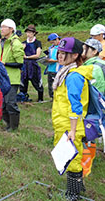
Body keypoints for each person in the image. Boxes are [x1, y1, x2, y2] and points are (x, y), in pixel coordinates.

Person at [52, 37, 92, 200]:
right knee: (69, 156)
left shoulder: (73, 76)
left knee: (72, 158)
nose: (60, 56)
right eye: (59, 53)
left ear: (75, 55)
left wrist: (73, 131)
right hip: (62, 122)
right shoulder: (65, 72)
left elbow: (76, 106)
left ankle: (73, 193)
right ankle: (78, 186)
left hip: (70, 125)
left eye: (64, 54)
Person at [0, 18, 24, 131]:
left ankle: (14, 127)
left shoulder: (16, 43)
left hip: (12, 78)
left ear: (11, 29)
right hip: (1, 77)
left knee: (10, 103)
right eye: (1, 27)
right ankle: (8, 124)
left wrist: (5, 63)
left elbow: (20, 63)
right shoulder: (2, 42)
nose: (2, 29)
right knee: (2, 104)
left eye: (4, 27)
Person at [19, 24, 44, 102]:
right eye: (27, 32)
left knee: (36, 81)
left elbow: (37, 55)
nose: (28, 34)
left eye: (30, 32)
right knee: (23, 82)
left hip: (33, 65)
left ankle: (40, 98)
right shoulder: (23, 43)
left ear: (34, 33)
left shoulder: (37, 43)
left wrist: (27, 57)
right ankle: (23, 97)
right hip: (24, 65)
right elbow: (20, 52)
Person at [45, 33, 62, 100]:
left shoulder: (61, 47)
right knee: (50, 84)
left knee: (57, 84)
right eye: (51, 42)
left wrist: (54, 60)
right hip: (50, 68)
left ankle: (57, 97)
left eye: (54, 41)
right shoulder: (50, 48)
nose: (53, 43)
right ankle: (52, 97)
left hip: (57, 68)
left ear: (57, 39)